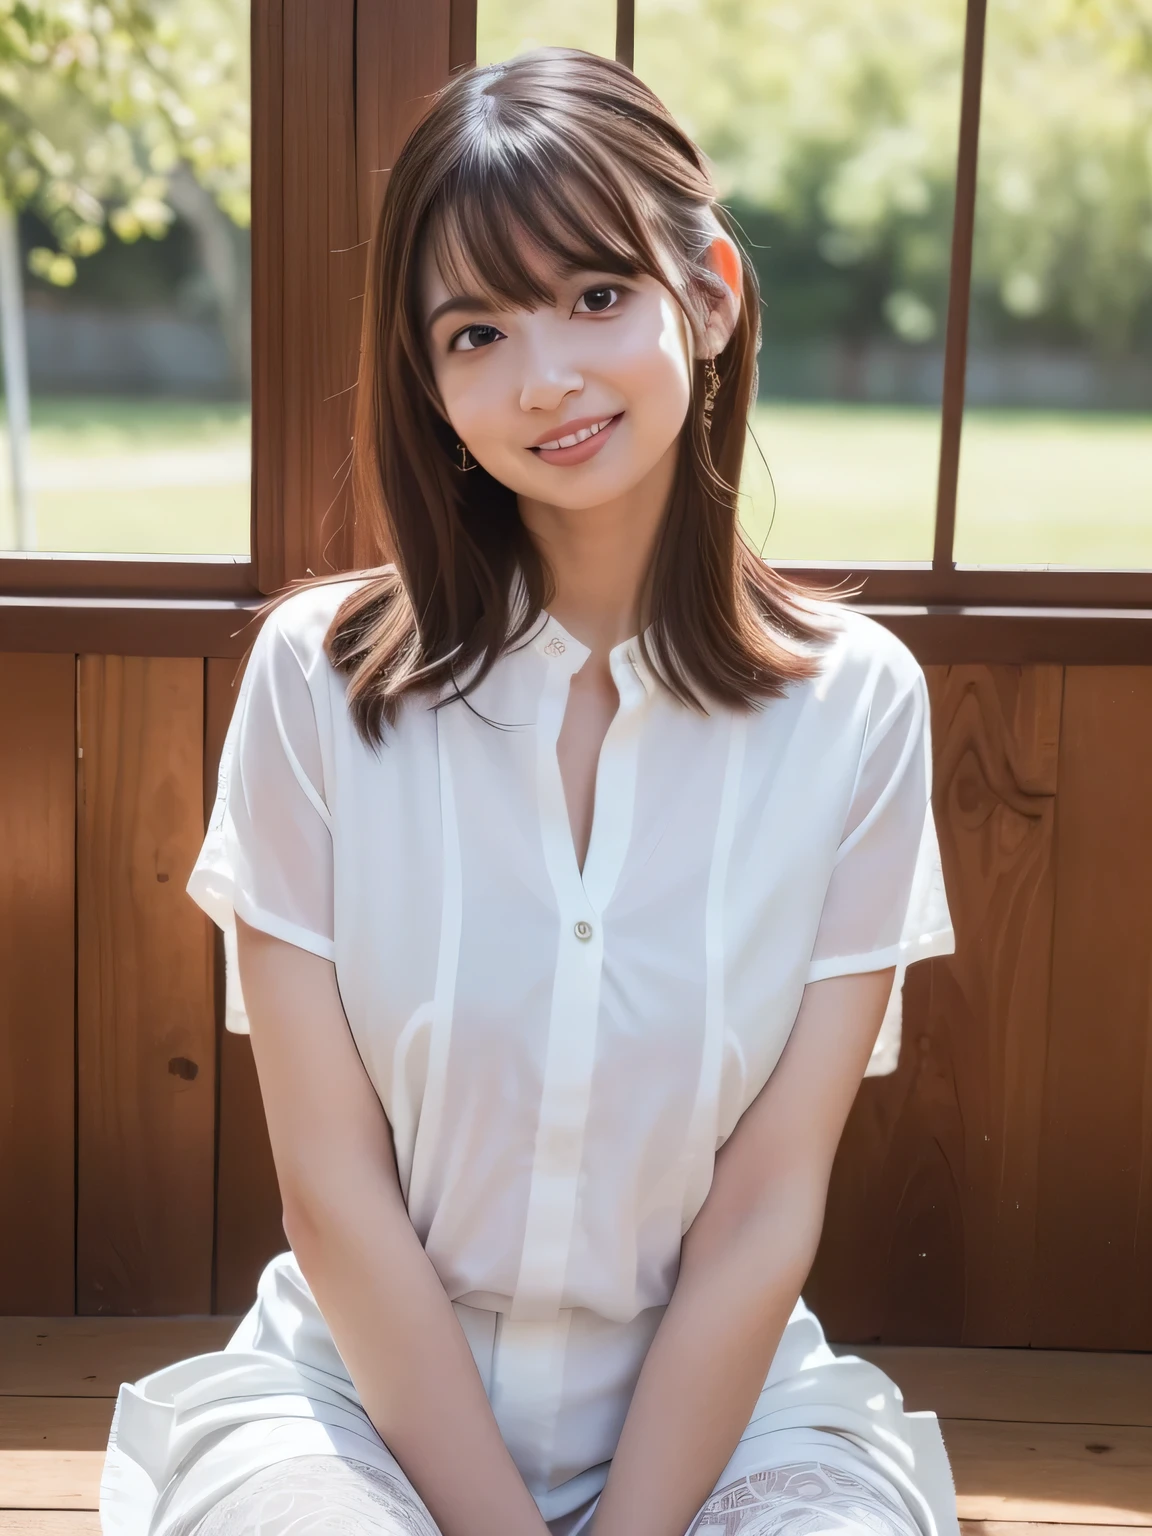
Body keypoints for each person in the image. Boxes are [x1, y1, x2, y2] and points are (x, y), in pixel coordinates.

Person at [99, 45, 957, 1536]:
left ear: (711, 292)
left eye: (597, 296)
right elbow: (332, 1198)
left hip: (731, 1419)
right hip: (354, 1404)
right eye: (477, 330)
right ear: (430, 386)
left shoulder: (859, 707)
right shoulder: (316, 683)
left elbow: (762, 1217)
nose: (544, 376)